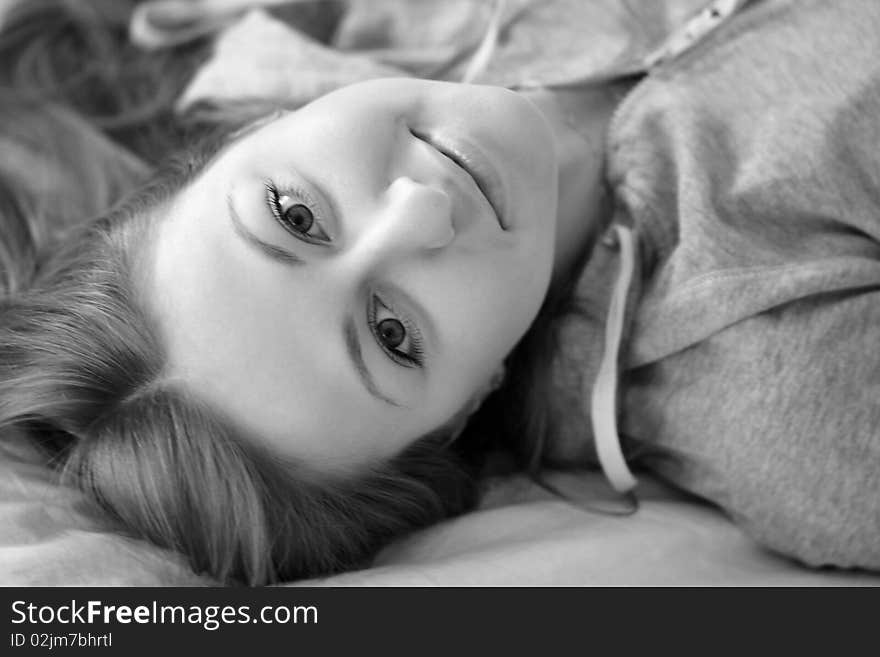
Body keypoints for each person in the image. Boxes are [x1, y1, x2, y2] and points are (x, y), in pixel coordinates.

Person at [0, 0, 877, 586]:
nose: (417, 212)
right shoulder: (790, 393)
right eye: (391, 332)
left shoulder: (378, 29)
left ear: (253, 130)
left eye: (295, 213)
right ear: (464, 410)